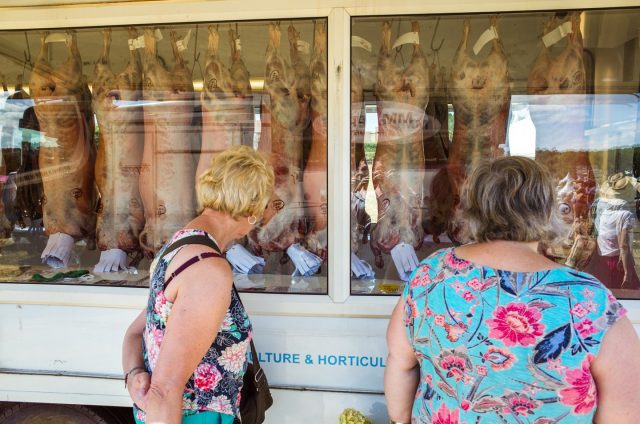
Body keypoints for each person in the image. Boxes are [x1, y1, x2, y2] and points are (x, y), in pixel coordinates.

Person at [385, 156, 640, 423]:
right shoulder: (588, 299)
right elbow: (626, 411)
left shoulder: (430, 274)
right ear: (547, 210)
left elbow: (401, 363)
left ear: (472, 208)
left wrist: (402, 420)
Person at [122, 145, 274, 424]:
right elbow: (165, 389)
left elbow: (135, 333)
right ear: (252, 210)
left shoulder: (180, 244)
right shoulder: (208, 269)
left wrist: (133, 374)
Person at [587, 172, 640, 289]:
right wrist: (627, 273)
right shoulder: (624, 215)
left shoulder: (604, 212)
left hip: (601, 262)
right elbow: (624, 245)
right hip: (618, 263)